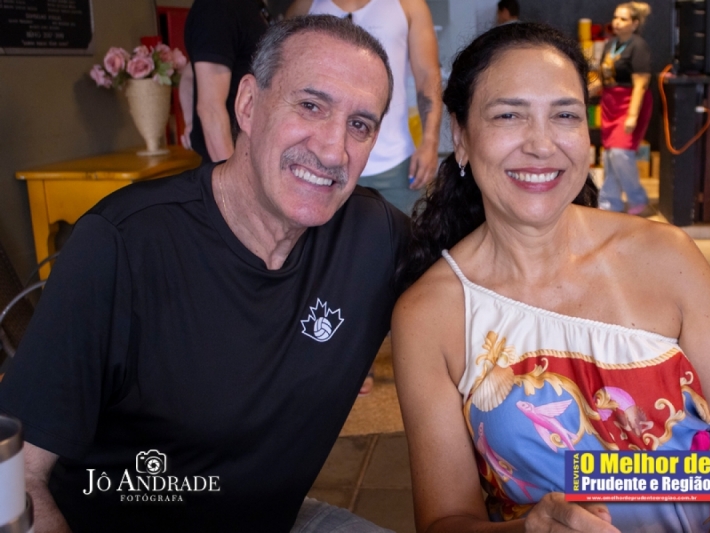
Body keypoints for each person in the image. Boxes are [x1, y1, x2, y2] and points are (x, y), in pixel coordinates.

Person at [0, 16, 407, 533]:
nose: (333, 149)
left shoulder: (376, 236)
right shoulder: (122, 243)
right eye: (310, 105)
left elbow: (479, 278)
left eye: (360, 125)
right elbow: (15, 476)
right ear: (248, 105)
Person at [392, 22, 710, 533]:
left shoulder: (664, 255)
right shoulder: (431, 314)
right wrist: (528, 530)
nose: (541, 144)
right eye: (509, 115)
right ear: (461, 136)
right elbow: (446, 520)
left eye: (564, 115)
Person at [286, 0, 443, 216]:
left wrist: (430, 143)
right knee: (318, 236)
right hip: (319, 157)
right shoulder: (307, 5)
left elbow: (428, 77)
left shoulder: (409, 4)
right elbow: (283, 75)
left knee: (407, 235)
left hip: (393, 163)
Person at [182, 0, 269, 163]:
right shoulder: (217, 7)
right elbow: (210, 108)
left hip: (256, 159)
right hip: (234, 161)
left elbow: (188, 75)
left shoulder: (254, 8)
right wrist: (231, 173)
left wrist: (190, 124)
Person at [593, 1, 653, 215]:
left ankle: (637, 198)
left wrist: (632, 115)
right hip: (610, 103)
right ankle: (609, 202)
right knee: (610, 155)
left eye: (623, 19)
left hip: (630, 103)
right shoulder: (610, 44)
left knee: (620, 152)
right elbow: (604, 79)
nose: (617, 22)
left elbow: (640, 84)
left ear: (635, 24)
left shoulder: (638, 46)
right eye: (615, 17)